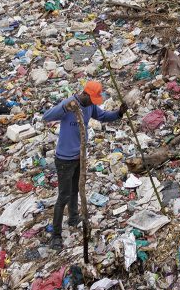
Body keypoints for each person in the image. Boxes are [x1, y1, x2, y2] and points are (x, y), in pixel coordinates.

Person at [43, 81, 126, 250]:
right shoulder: (69, 104)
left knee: (75, 189)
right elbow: (46, 117)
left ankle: (73, 217)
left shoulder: (90, 106)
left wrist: (119, 113)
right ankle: (56, 235)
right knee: (64, 195)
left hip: (79, 156)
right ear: (86, 94)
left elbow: (102, 116)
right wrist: (65, 108)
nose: (93, 103)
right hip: (64, 159)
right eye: (93, 99)